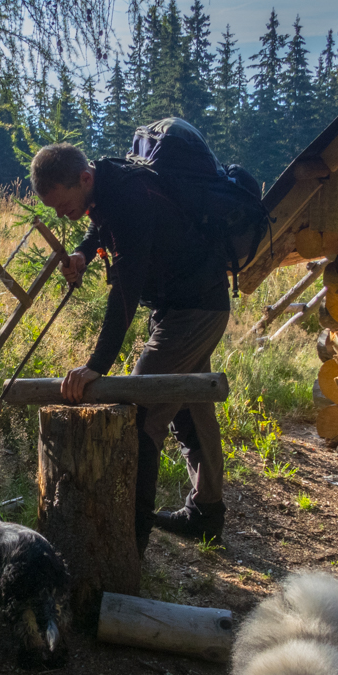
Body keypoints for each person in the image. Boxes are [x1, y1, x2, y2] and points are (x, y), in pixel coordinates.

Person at [30, 142, 231, 556]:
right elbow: (101, 226)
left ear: (84, 178)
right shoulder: (107, 183)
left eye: (65, 204)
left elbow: (125, 288)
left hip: (194, 309)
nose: (61, 214)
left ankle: (130, 544)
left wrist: (95, 366)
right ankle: (207, 513)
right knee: (192, 405)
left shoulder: (130, 198)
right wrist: (85, 253)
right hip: (185, 303)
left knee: (140, 412)